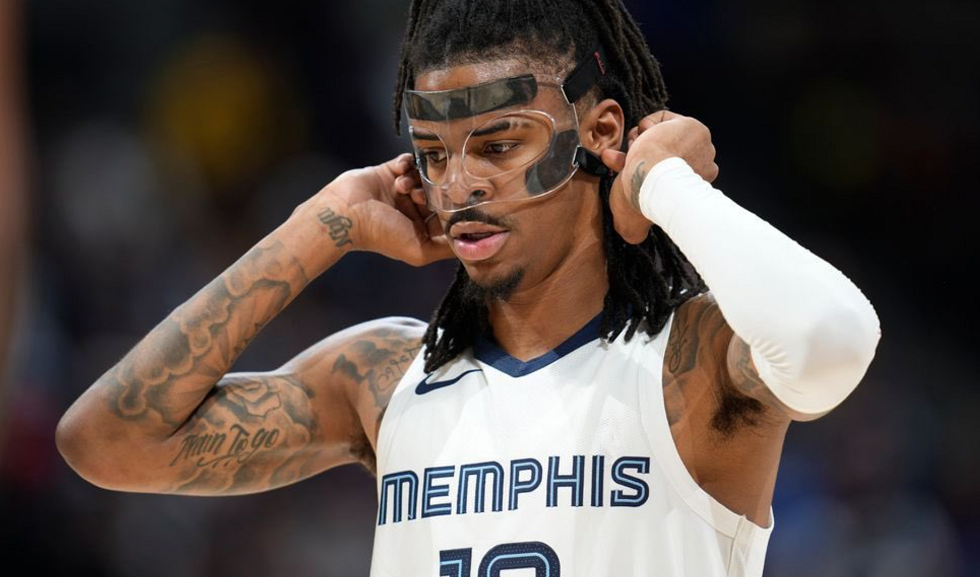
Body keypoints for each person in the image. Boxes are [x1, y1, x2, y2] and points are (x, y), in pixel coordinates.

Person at [56, 0, 881, 575]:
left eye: (498, 145)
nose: (459, 186)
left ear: (599, 132)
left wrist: (664, 185)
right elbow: (107, 442)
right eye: (433, 154)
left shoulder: (689, 362)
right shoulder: (384, 378)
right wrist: (319, 225)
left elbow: (831, 339)